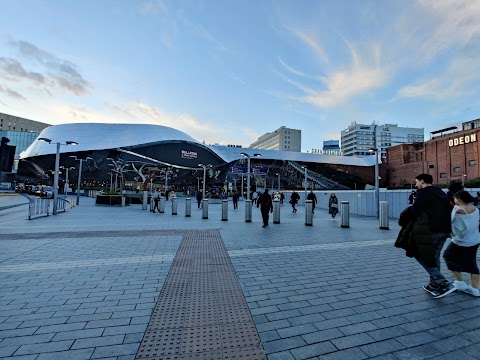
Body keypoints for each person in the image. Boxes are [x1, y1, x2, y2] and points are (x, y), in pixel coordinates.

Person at [411, 173, 455, 298]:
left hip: (431, 230)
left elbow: (415, 212)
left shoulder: (423, 193)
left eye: (417, 182)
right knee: (434, 256)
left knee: (416, 252)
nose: (416, 184)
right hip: (445, 230)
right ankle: (434, 285)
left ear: (423, 181)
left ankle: (442, 282)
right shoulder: (440, 192)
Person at [443, 190, 480, 296]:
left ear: (458, 198)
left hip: (461, 241)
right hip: (475, 240)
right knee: (472, 263)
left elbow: (455, 228)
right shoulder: (476, 209)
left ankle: (459, 282)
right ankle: (475, 288)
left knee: (448, 256)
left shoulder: (458, 211)